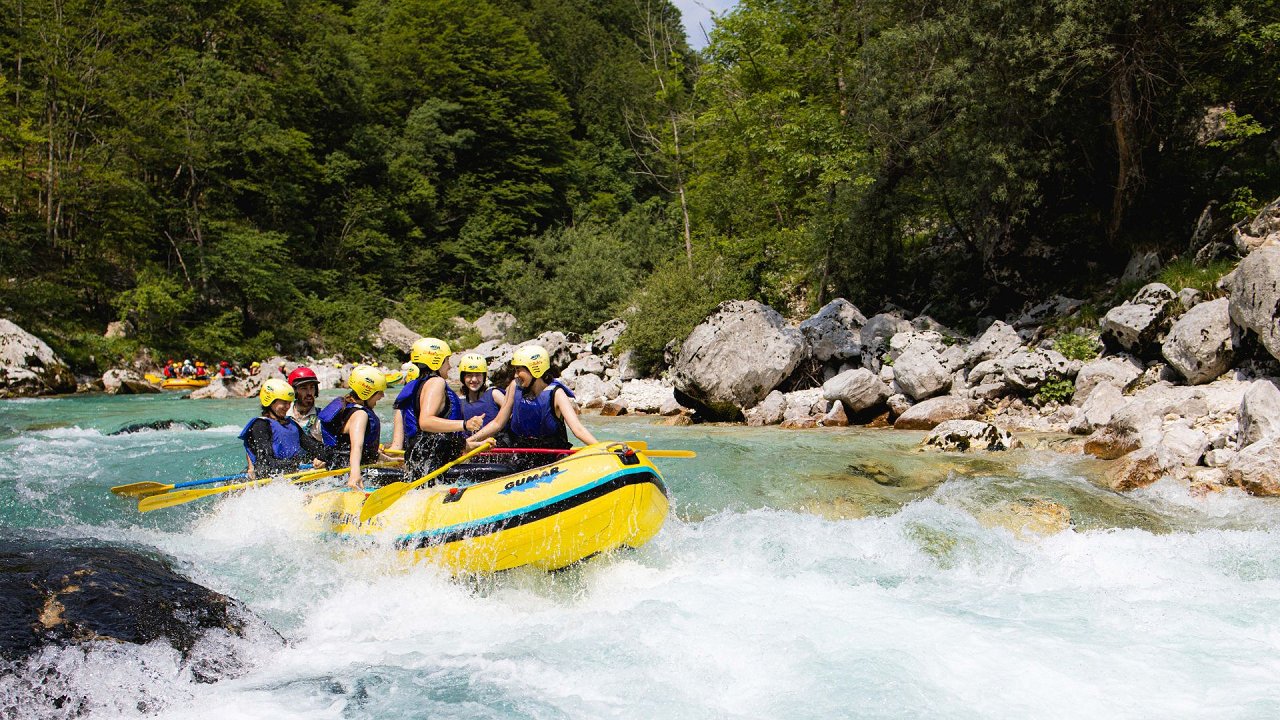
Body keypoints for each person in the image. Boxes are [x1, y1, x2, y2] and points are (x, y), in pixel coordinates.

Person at [469, 345, 597, 470]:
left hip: (551, 456)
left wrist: (599, 448)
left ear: (536, 370)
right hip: (521, 454)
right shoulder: (514, 387)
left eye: (519, 370)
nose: (515, 375)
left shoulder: (557, 394)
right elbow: (498, 423)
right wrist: (469, 441)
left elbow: (578, 429)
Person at [392, 338, 484, 479]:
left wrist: (477, 445)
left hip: (425, 465)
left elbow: (437, 438)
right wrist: (465, 425)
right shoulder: (436, 382)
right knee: (507, 470)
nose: (449, 366)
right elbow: (426, 422)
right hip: (435, 468)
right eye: (447, 360)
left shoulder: (419, 385)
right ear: (436, 361)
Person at [319, 365, 393, 492]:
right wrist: (355, 474)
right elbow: (356, 447)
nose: (382, 395)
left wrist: (389, 460)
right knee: (406, 477)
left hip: (342, 469)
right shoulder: (360, 414)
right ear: (367, 392)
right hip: (350, 472)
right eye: (379, 392)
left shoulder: (348, 406)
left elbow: (353, 447)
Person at [239, 379, 327, 480]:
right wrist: (296, 463)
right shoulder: (260, 426)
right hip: (268, 480)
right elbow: (266, 461)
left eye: (289, 402)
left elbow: (314, 447)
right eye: (284, 402)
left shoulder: (292, 424)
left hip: (288, 476)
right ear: (270, 402)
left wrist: (324, 457)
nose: (287, 407)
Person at [457, 353, 507, 443]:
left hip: (498, 445)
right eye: (469, 375)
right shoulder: (458, 402)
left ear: (484, 376)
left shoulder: (495, 394)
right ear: (463, 378)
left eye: (478, 375)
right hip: (472, 447)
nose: (474, 379)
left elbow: (512, 415)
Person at [286, 366, 323, 442]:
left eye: (312, 387)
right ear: (294, 391)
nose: (309, 393)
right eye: (304, 388)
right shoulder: (283, 415)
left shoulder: (322, 419)